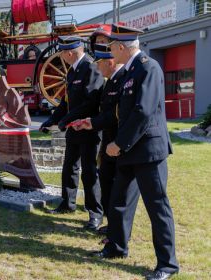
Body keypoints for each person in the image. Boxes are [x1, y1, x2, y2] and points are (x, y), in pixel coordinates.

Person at [92, 24, 179, 280]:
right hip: (130, 150)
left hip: (149, 151)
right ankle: (116, 247)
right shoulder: (130, 71)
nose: (109, 54)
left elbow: (143, 111)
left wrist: (118, 144)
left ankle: (167, 264)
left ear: (121, 47)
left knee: (157, 207)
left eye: (111, 48)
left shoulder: (148, 67)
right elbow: (121, 113)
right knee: (119, 201)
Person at [72, 42, 139, 237]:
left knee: (119, 190)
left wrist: (93, 123)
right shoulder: (111, 81)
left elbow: (116, 115)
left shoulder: (121, 80)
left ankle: (117, 229)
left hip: (118, 144)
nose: (96, 67)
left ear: (109, 63)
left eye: (99, 63)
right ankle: (112, 225)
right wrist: (90, 122)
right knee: (107, 186)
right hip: (108, 142)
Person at [40, 36, 105, 231]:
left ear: (69, 53)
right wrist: (51, 120)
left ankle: (95, 213)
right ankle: (67, 203)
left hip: (88, 129)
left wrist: (65, 120)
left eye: (61, 53)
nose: (60, 56)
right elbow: (66, 102)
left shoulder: (91, 67)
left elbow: (91, 102)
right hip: (74, 130)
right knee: (69, 167)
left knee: (89, 172)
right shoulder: (72, 71)